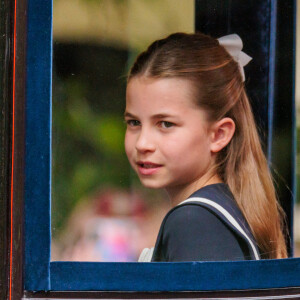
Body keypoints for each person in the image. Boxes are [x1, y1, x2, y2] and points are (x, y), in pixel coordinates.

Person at [124, 32, 287, 262]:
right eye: (134, 123)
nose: (142, 143)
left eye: (166, 124)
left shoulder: (193, 222)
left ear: (219, 135)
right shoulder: (221, 211)